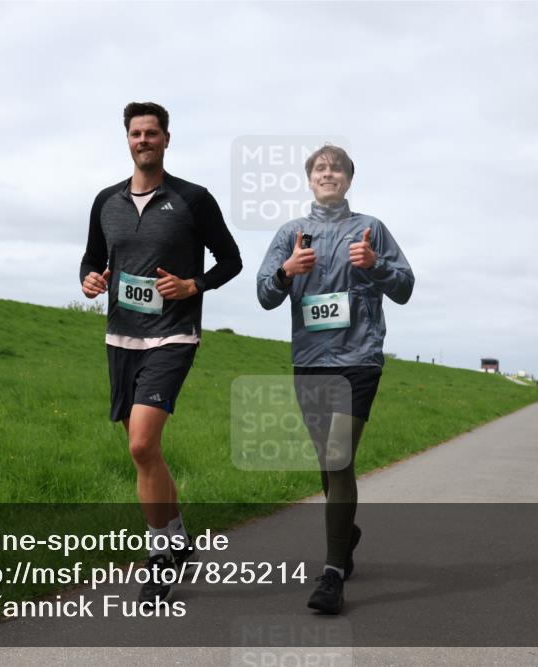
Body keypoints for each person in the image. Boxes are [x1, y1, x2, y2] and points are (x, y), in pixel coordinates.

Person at [80, 102, 242, 605]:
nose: (144, 140)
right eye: (136, 133)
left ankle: (158, 558)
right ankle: (178, 536)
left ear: (167, 140)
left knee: (140, 445)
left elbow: (230, 261)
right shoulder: (106, 201)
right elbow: (92, 257)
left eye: (152, 133)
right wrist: (90, 278)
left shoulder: (193, 199)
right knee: (146, 452)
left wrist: (192, 284)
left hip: (173, 334)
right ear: (127, 140)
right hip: (121, 337)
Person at [257, 145, 414, 614]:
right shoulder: (291, 233)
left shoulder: (372, 230)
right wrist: (286, 272)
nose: (329, 174)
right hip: (309, 360)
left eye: (337, 169)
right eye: (320, 168)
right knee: (328, 465)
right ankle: (346, 532)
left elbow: (404, 288)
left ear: (348, 179)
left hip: (359, 360)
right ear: (309, 179)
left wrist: (375, 264)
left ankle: (331, 575)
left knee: (338, 456)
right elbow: (264, 295)